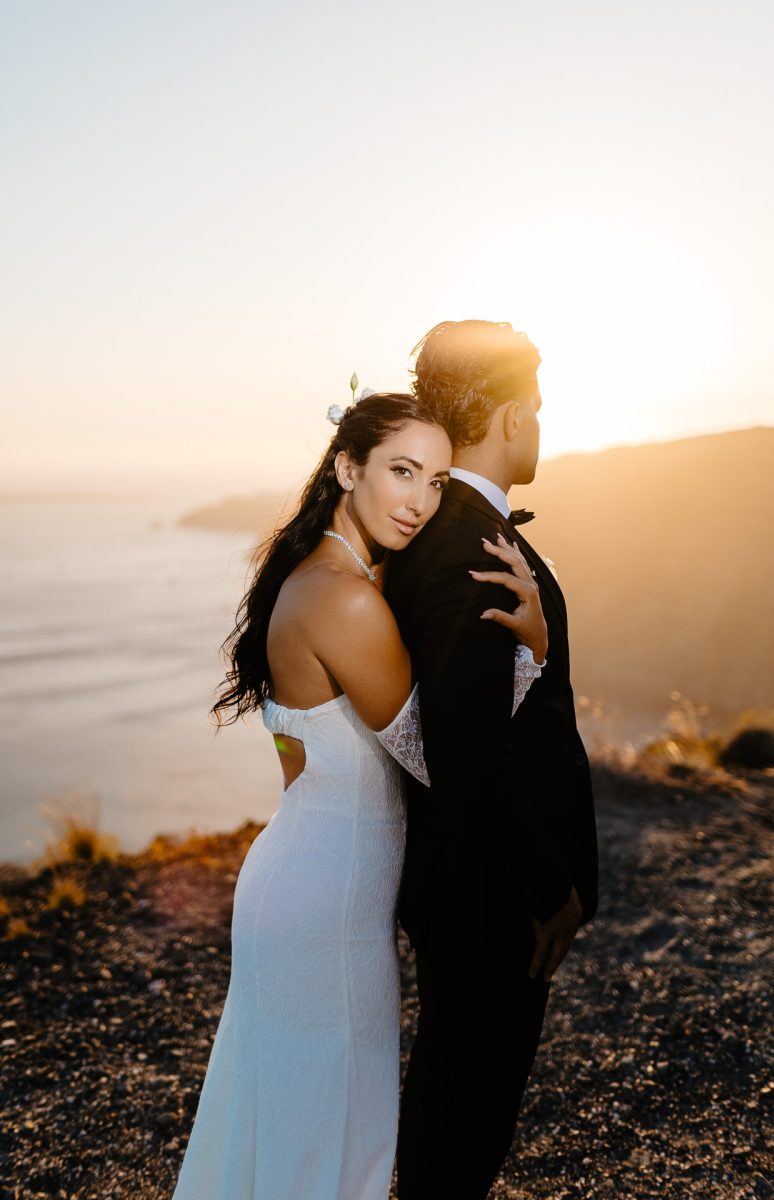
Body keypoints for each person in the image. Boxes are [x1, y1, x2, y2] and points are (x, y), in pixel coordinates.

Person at [169, 390, 549, 1200]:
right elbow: (436, 753)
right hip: (326, 901)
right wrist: (532, 656)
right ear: (349, 467)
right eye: (402, 472)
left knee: (297, 1129)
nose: (419, 501)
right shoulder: (343, 596)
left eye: (438, 482)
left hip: (308, 879)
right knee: (330, 1141)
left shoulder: (328, 575)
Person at [382, 321, 599, 1199]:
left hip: (473, 889)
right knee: (463, 1127)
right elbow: (466, 750)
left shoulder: (442, 533)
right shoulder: (469, 550)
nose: (542, 425)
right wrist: (549, 889)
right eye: (537, 409)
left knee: (457, 1113)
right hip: (491, 898)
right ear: (510, 418)